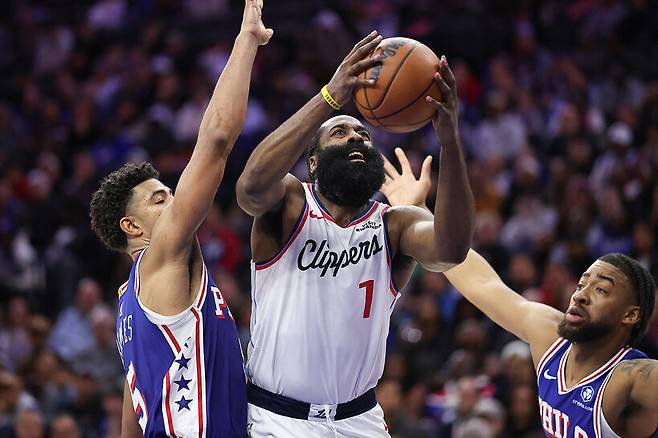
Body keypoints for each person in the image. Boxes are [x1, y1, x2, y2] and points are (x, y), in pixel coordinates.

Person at [236, 30, 475, 436]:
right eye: (340, 133)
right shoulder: (291, 203)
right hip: (276, 419)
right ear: (313, 162)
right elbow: (250, 189)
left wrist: (449, 140)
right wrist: (331, 96)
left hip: (359, 419)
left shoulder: (394, 224)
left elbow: (452, 249)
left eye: (363, 135)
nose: (356, 138)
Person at [89, 1, 272, 436]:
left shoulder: (127, 303)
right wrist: (246, 40)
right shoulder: (162, 257)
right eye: (159, 201)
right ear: (132, 227)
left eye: (171, 194)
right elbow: (217, 140)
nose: (174, 203)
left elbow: (133, 412)